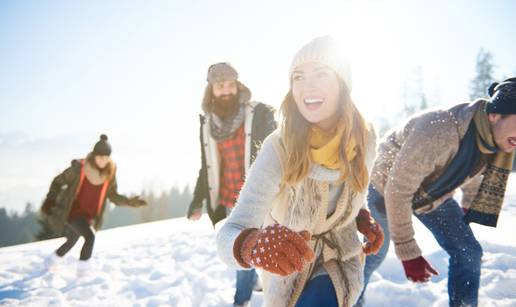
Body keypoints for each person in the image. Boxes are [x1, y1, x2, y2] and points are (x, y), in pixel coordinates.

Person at [216, 36, 384, 307]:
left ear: (342, 83)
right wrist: (251, 244)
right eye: (298, 77)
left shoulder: (365, 138)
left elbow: (354, 188)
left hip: (341, 257)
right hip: (287, 266)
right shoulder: (279, 147)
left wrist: (359, 216)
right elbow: (229, 232)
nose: (308, 86)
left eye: (321, 74)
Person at [357, 77, 516, 307]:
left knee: (468, 252)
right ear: (495, 114)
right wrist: (408, 251)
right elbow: (398, 190)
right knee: (374, 253)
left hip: (433, 192)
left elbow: (472, 170)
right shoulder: (440, 130)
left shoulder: (491, 142)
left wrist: (468, 205)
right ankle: (349, 299)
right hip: (385, 187)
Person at [186, 62, 276, 306]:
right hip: (227, 199)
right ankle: (252, 283)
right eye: (219, 86)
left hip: (256, 196)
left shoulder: (259, 114)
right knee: (243, 247)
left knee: (244, 246)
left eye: (229, 84)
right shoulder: (207, 124)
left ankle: (241, 300)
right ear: (211, 90)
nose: (225, 90)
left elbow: (278, 152)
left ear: (237, 85)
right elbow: (206, 167)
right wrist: (197, 201)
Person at [41, 134, 147, 265]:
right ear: (94, 155)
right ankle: (82, 272)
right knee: (90, 237)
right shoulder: (79, 169)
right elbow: (57, 181)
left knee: (73, 239)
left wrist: (129, 202)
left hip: (89, 216)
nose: (103, 160)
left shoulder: (109, 173)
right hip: (73, 211)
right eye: (100, 157)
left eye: (106, 157)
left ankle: (53, 260)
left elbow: (112, 195)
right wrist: (50, 199)